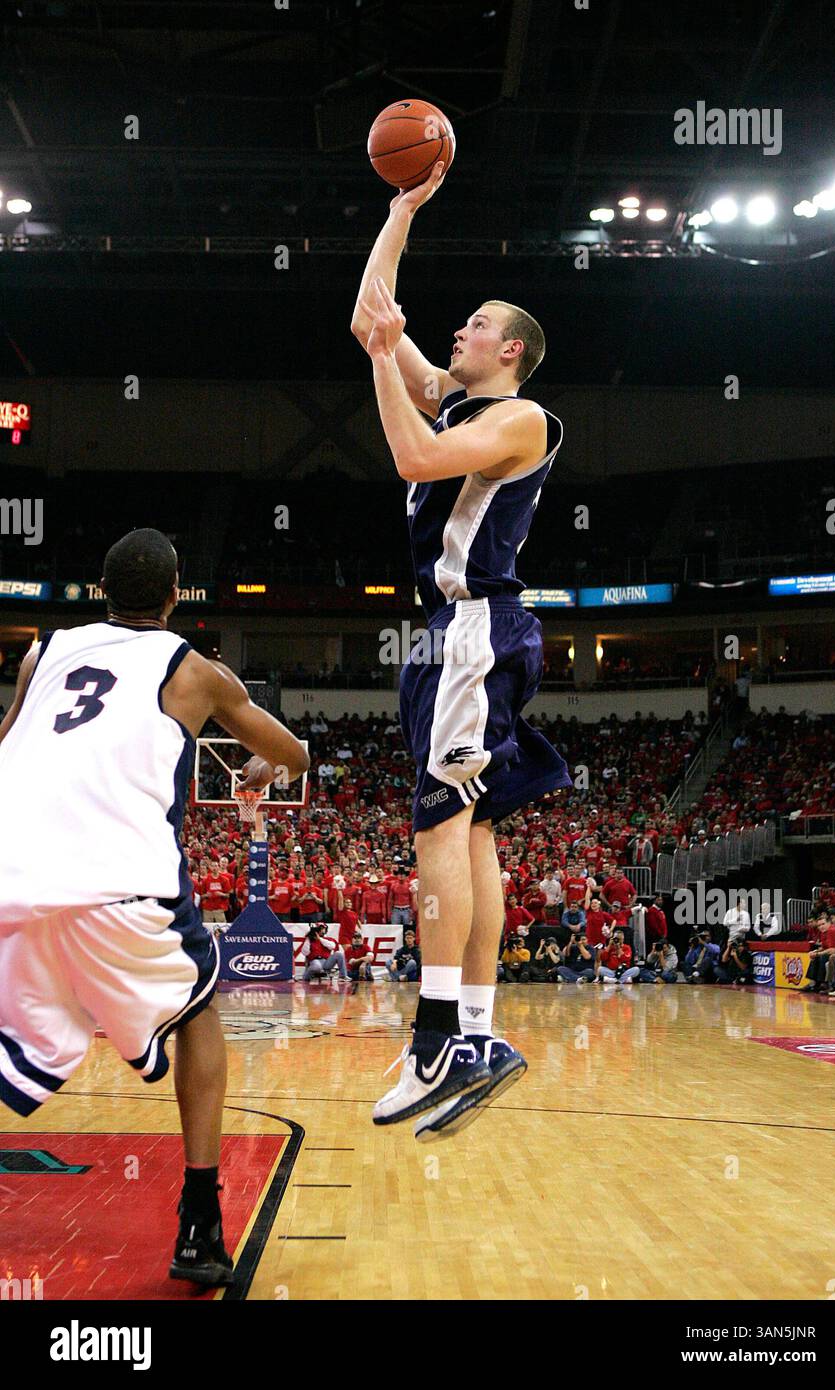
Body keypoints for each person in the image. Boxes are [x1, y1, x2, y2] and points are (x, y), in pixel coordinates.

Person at [0, 528, 310, 1287]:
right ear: (178, 597)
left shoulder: (43, 652)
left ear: (99, 591)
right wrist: (267, 763)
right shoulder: (195, 671)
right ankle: (200, 1222)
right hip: (118, 880)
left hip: (11, 871)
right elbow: (294, 753)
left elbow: (9, 743)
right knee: (201, 1012)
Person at [352, 160, 571, 1140]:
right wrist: (400, 212)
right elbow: (372, 309)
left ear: (512, 348)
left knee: (437, 830)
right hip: (461, 634)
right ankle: (477, 1034)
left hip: (472, 630)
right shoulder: (452, 395)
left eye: (477, 324)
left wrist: (376, 362)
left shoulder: (517, 418)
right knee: (472, 832)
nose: (458, 332)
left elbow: (408, 456)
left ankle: (435, 1034)